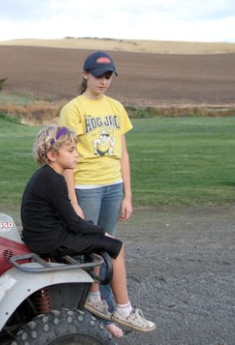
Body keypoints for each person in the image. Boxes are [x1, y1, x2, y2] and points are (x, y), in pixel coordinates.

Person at [20, 125, 155, 333]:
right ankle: (124, 310)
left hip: (45, 236)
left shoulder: (46, 176)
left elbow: (69, 220)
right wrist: (100, 231)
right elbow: (74, 223)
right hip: (50, 241)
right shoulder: (54, 180)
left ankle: (93, 297)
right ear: (52, 155)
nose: (77, 154)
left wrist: (94, 229)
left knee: (95, 238)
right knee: (116, 246)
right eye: (71, 150)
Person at [58, 51, 133, 337]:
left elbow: (123, 153)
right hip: (86, 188)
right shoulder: (72, 109)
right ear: (85, 74)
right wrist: (72, 200)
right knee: (88, 252)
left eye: (108, 76)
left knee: (107, 250)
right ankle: (91, 318)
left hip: (113, 186)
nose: (103, 81)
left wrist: (127, 195)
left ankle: (107, 312)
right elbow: (64, 154)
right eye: (99, 75)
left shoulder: (116, 107)